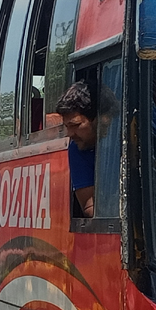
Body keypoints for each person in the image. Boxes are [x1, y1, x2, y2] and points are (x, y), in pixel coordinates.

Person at [56, 81, 98, 218]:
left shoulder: (142, 129)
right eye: (67, 127)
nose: (70, 134)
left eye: (75, 125)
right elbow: (90, 207)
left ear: (99, 119)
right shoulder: (77, 149)